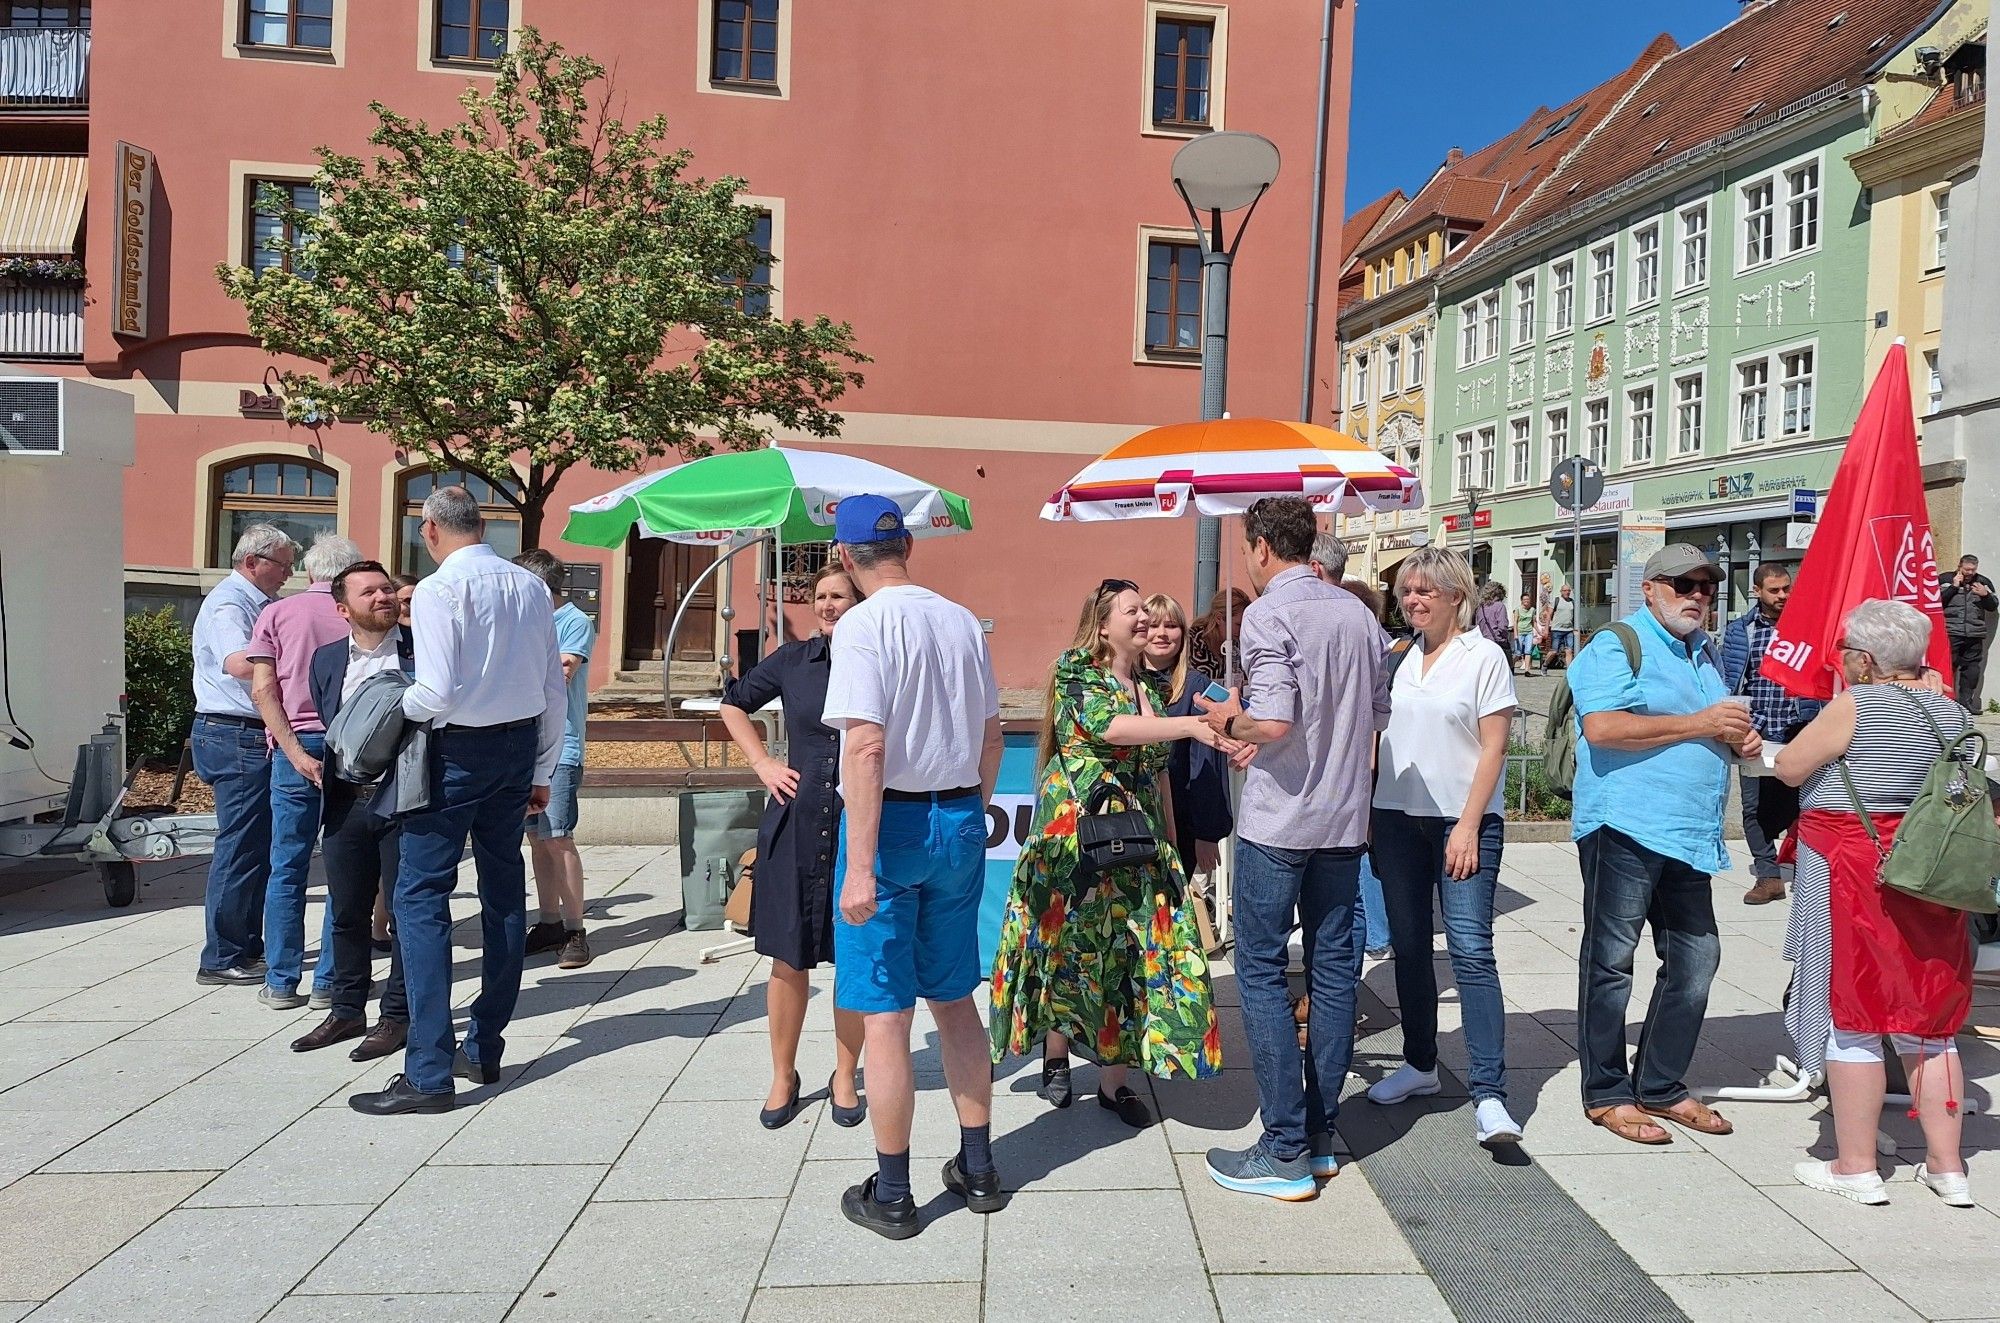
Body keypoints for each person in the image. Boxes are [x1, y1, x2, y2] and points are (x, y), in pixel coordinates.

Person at [1194, 497, 1390, 1199]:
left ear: (1261, 546)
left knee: (1263, 974)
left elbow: (1274, 718)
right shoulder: (1359, 615)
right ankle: (1317, 1137)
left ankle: (1282, 1149)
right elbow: (1374, 715)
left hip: (1281, 824)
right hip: (1343, 820)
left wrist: (1227, 716)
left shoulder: (1271, 614)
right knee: (1335, 976)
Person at [347, 487, 565, 1117]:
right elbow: (552, 687)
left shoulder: (442, 589)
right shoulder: (528, 585)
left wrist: (387, 709)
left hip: (456, 752)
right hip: (516, 747)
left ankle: (429, 1070)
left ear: (432, 528)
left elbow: (435, 690)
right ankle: (485, 1043)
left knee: (420, 898)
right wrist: (543, 766)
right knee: (502, 892)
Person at [821, 495, 1004, 1239]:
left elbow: (864, 748)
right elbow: (992, 736)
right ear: (909, 548)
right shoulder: (960, 618)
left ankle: (893, 1191)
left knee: (888, 1015)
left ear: (843, 556)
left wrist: (859, 866)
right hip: (959, 813)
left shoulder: (862, 625)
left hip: (890, 822)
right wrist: (965, 810)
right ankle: (980, 1167)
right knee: (955, 999)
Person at [990, 581, 1228, 1129]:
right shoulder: (1077, 670)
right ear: (1102, 624)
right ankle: (1055, 1057)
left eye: (1147, 608)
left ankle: (1114, 1082)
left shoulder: (1148, 681)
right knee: (1068, 946)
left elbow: (1157, 769)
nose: (1145, 618)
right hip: (1075, 840)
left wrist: (1170, 837)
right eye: (1133, 610)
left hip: (1137, 840)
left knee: (1122, 954)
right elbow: (1110, 728)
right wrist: (1192, 723)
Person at [1775, 600, 1977, 1207]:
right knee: (1930, 1021)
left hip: (1853, 868)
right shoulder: (1953, 713)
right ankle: (1948, 1169)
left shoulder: (1857, 704)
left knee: (1851, 1012)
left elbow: (1789, 767)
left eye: (1844, 650)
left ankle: (1855, 1165)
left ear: (1863, 660)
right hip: (1933, 874)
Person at [1568, 544, 1755, 1145]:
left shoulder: (1706, 651)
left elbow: (1707, 728)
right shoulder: (1617, 643)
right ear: (1649, 589)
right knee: (1610, 963)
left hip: (1687, 832)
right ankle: (1606, 1092)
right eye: (1683, 584)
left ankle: (1662, 1084)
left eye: (1706, 585)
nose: (1698, 595)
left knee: (1697, 962)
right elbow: (1603, 727)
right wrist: (1703, 725)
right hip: (1624, 824)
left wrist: (1739, 741)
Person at [1368, 547, 1523, 1145]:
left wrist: (1467, 823)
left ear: (1457, 595)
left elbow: (1494, 747)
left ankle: (1490, 1093)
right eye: (1408, 590)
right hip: (1397, 819)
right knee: (1408, 948)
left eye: (1427, 590)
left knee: (1470, 950)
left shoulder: (1482, 657)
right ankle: (1420, 1064)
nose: (1414, 600)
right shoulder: (1398, 655)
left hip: (1463, 821)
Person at [719, 563, 869, 1131]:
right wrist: (762, 763)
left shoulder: (877, 658)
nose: (829, 605)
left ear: (859, 602)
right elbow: (734, 702)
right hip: (797, 821)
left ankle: (845, 1073)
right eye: (821, 597)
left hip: (856, 826)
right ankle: (783, 1073)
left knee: (852, 957)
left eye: (840, 596)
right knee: (787, 958)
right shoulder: (793, 660)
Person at [292, 560, 413, 1058]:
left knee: (408, 912)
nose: (383, 597)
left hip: (405, 800)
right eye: (370, 592)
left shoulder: (422, 652)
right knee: (346, 913)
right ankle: (345, 1010)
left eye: (387, 589)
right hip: (345, 801)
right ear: (343, 609)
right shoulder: (324, 660)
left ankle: (398, 1016)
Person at [247, 533, 363, 1010]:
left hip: (295, 744)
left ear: (310, 570)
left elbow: (262, 690)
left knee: (287, 866)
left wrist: (291, 750)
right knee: (345, 867)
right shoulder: (355, 614)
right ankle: (329, 982)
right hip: (351, 743)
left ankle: (280, 979)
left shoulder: (275, 613)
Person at [190, 524, 294, 987]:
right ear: (252, 561)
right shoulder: (231, 603)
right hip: (234, 733)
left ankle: (247, 945)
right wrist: (293, 669)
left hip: (248, 733)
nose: (287, 575)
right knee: (240, 847)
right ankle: (222, 954)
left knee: (257, 846)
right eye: (282, 566)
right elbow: (236, 663)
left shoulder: (259, 602)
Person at [514, 550, 598, 971]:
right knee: (536, 838)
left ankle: (575, 928)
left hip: (559, 746)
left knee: (558, 837)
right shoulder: (527, 622)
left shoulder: (574, 622)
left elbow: (562, 673)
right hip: (521, 745)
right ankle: (548, 922)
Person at [1720, 563, 1822, 904]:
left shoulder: (1806, 627)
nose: (1782, 596)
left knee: (1803, 805)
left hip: (1800, 729)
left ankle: (1811, 873)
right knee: (1754, 809)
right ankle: (1768, 876)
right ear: (1757, 591)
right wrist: (1735, 727)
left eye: (1786, 589)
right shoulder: (1741, 630)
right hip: (1758, 731)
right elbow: (1731, 679)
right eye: (1774, 590)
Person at [1140, 592, 1233, 879]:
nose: (1161, 634)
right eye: (1153, 626)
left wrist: (1206, 833)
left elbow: (1207, 765)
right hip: (1131, 817)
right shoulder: (1121, 683)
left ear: (1183, 633)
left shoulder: (1196, 687)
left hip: (1180, 824)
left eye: (1171, 626)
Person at [1939, 554, 1995, 711]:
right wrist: (1953, 587)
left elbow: (1993, 606)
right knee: (1948, 667)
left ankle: (1966, 703)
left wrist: (1986, 595)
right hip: (1951, 632)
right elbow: (1937, 602)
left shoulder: (1983, 582)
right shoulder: (1945, 579)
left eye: (1973, 570)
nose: (1970, 573)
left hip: (1974, 633)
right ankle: (1944, 703)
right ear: (1959, 566)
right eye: (1966, 570)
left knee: (1971, 670)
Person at [1188, 587, 1250, 685]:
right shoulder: (1194, 641)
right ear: (1218, 618)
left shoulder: (1239, 643)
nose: (1242, 630)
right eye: (1238, 624)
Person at [1474, 580, 1513, 658]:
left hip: (1482, 642)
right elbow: (1503, 626)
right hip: (1497, 643)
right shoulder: (1499, 606)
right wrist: (1503, 639)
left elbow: (1477, 625)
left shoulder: (1480, 607)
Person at [1549, 583, 1577, 668]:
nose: (1567, 592)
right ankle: (1545, 664)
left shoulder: (1572, 602)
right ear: (1561, 591)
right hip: (1557, 629)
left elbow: (1574, 616)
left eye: (1568, 591)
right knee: (1554, 651)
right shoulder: (1556, 600)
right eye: (1565, 590)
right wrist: (1547, 628)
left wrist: (1576, 628)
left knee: (1569, 650)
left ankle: (1569, 671)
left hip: (1569, 630)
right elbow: (1549, 615)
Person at [1514, 593, 1538, 676]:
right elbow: (1515, 622)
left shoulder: (1532, 610)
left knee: (1528, 651)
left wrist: (1538, 631)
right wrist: (1515, 634)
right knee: (1518, 653)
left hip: (1529, 632)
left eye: (1528, 599)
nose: (1526, 601)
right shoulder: (1518, 609)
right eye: (1524, 599)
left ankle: (1527, 671)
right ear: (1521, 601)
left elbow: (1534, 622)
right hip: (1520, 632)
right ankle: (1511, 666)